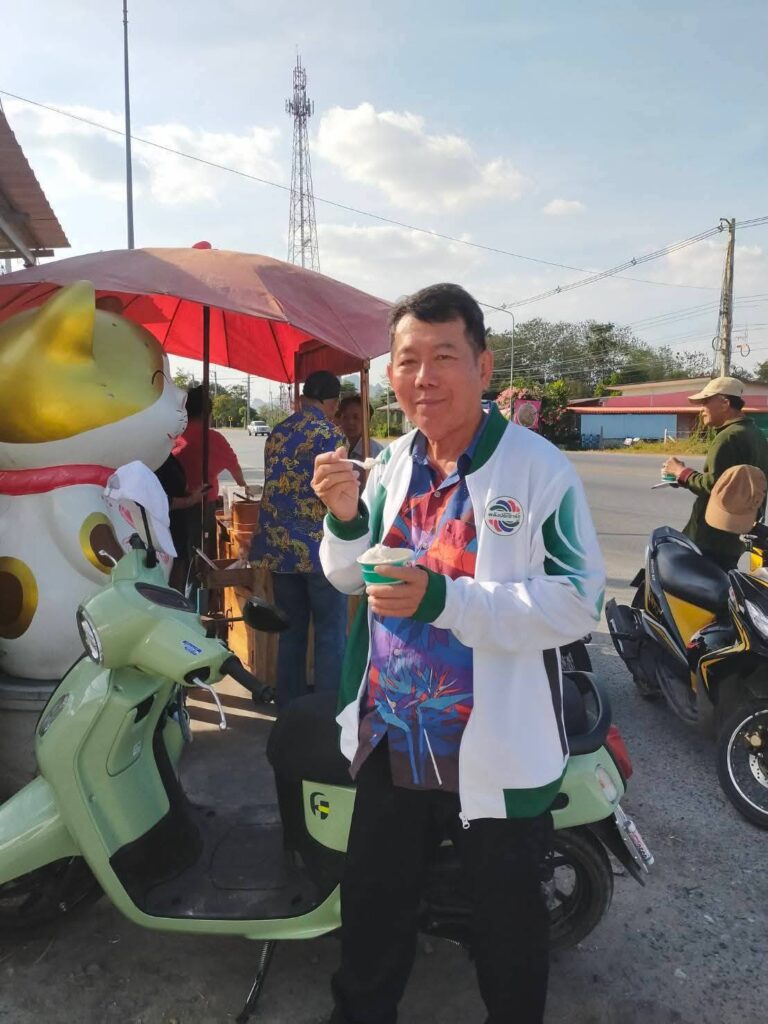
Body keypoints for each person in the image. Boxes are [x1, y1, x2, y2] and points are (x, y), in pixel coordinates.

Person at [311, 283, 605, 1024]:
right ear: (391, 373)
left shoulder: (538, 470)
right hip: (393, 737)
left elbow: (578, 601)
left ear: (483, 365)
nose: (424, 377)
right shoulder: (390, 464)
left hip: (494, 747)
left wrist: (446, 599)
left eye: (444, 356)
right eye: (408, 360)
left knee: (507, 929)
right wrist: (344, 518)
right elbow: (349, 575)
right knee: (373, 914)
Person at [250, 370, 348, 707]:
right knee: (330, 633)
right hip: (320, 551)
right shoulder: (330, 435)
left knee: (290, 632)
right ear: (332, 402)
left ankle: (289, 710)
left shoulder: (277, 432)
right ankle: (325, 713)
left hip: (279, 550)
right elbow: (338, 496)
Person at [662, 376, 768, 570]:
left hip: (711, 536)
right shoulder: (755, 434)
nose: (702, 409)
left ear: (725, 403)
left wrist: (681, 472)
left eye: (705, 402)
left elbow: (713, 486)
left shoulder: (727, 438)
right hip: (737, 534)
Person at [173, 385, 251, 559]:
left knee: (178, 554)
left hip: (172, 505)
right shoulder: (214, 439)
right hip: (203, 506)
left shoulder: (173, 436)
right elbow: (235, 469)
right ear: (206, 414)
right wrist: (244, 487)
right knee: (203, 553)